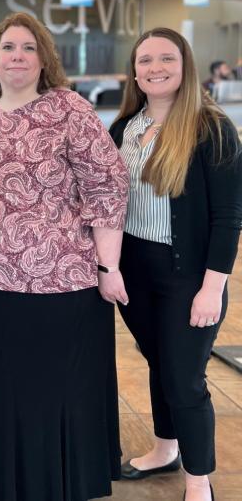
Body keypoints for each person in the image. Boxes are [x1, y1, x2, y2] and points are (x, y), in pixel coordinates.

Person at [0, 12, 129, 501]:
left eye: (27, 47)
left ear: (44, 58)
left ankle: (53, 482)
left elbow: (107, 186)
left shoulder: (70, 110)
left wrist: (109, 267)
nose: (17, 56)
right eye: (7, 47)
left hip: (58, 282)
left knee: (48, 392)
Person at [109, 28, 242, 501]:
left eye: (167, 58)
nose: (155, 68)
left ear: (185, 65)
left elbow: (229, 217)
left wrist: (213, 288)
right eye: (145, 60)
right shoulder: (124, 127)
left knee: (185, 377)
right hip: (135, 271)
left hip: (188, 273)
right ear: (135, 71)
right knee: (158, 362)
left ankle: (198, 481)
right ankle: (167, 448)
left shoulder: (211, 127)